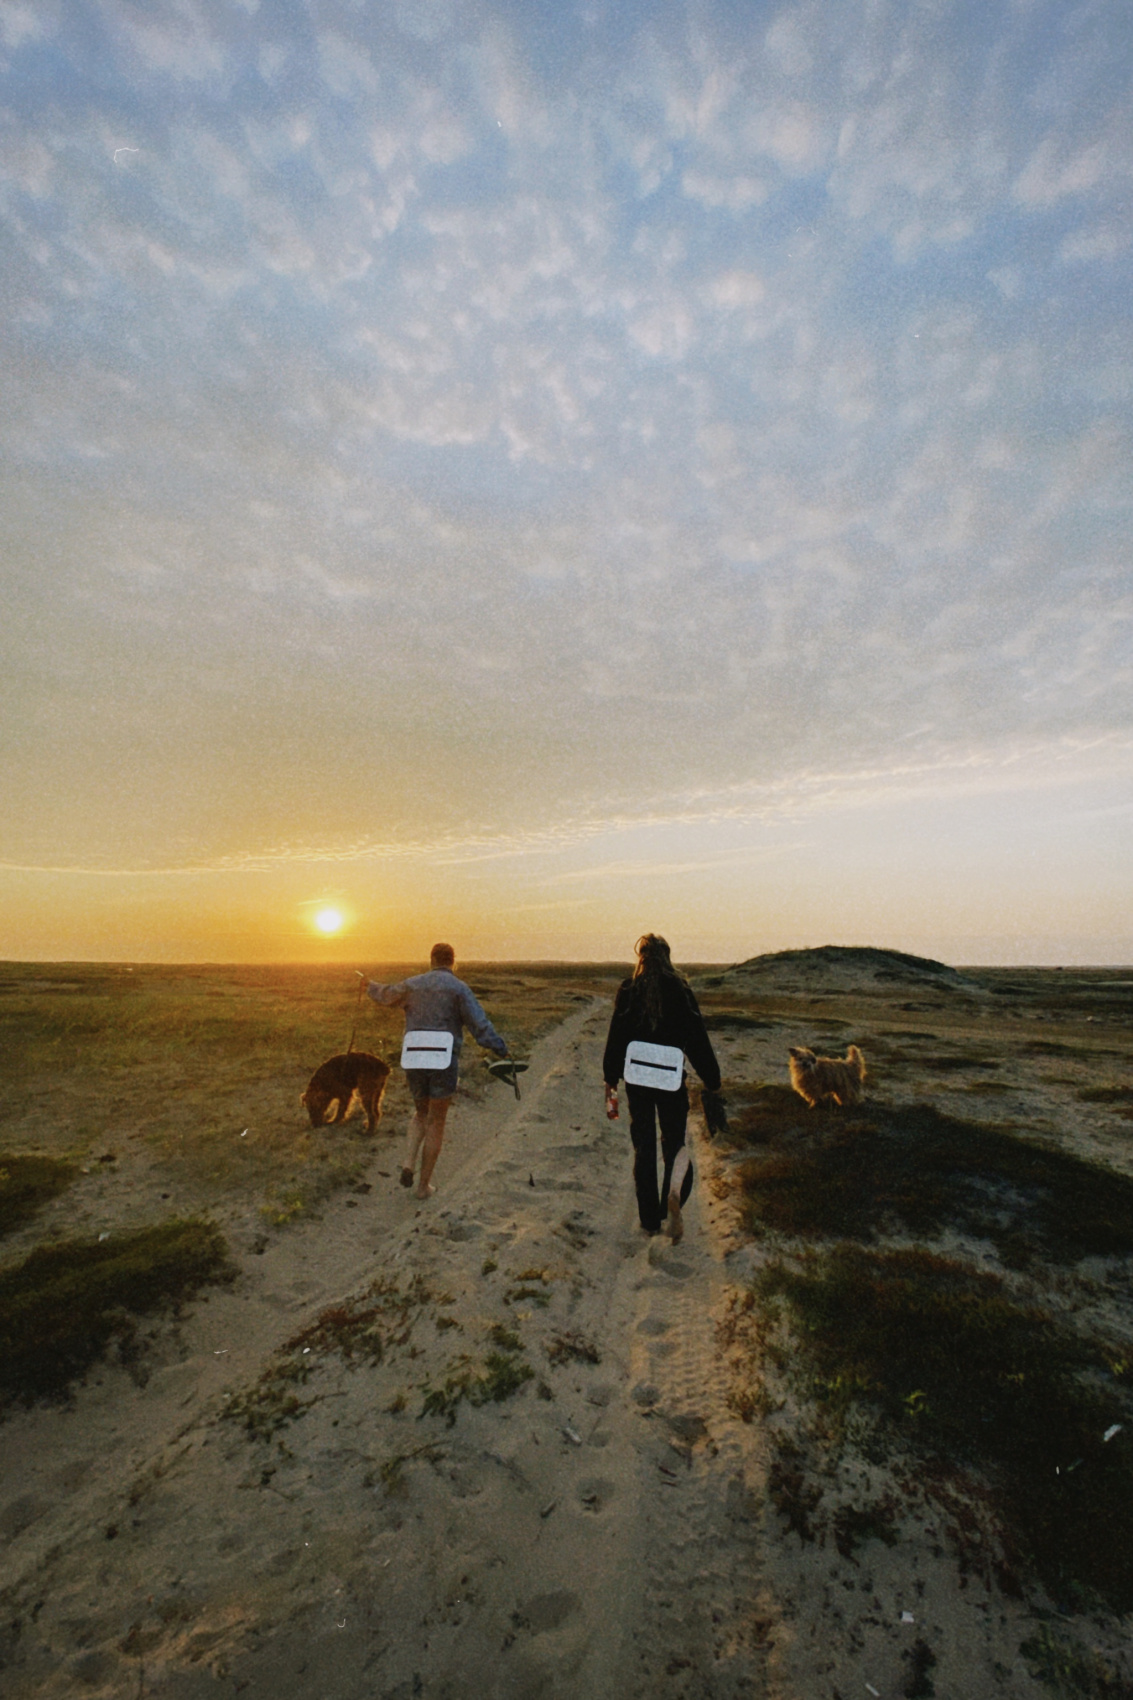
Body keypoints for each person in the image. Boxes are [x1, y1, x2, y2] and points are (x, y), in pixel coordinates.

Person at [602, 934, 721, 1243]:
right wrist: (712, 1078)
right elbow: (696, 1038)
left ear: (640, 958)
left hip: (638, 1080)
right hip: (670, 1080)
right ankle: (674, 1197)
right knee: (675, 1144)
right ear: (668, 957)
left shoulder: (629, 990)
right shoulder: (681, 990)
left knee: (643, 1146)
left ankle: (649, 1221)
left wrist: (611, 1077)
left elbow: (617, 1035)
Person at [364, 944, 508, 1199]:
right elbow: (479, 1025)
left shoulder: (412, 984)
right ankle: (423, 1187)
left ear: (431, 960)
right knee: (436, 1121)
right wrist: (500, 1048)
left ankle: (408, 1162)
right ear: (454, 962)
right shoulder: (459, 989)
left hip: (415, 1056)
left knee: (420, 1113)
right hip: (442, 1059)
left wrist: (368, 984)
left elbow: (385, 995)